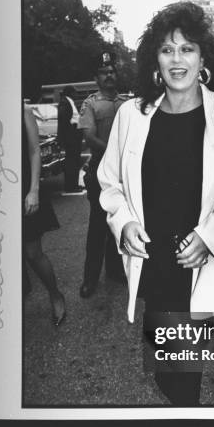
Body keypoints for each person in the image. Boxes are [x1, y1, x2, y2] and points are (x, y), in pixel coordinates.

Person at [98, 2, 214, 405]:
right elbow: (109, 181)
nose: (178, 60)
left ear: (203, 57)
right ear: (155, 61)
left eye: (187, 48)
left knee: (182, 380)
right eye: (167, 49)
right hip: (154, 265)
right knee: (164, 372)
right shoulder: (132, 115)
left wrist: (211, 238)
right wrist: (123, 222)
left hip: (199, 267)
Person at [78, 52, 127, 298]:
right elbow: (90, 137)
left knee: (119, 223)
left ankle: (116, 272)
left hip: (123, 175)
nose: (109, 75)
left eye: (112, 72)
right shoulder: (91, 104)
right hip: (100, 173)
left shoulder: (126, 103)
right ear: (96, 78)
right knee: (97, 226)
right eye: (104, 72)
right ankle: (90, 279)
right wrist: (116, 152)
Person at [23, 105, 66, 326]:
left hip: (22, 189)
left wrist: (33, 190)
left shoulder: (22, 111)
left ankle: (55, 294)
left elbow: (33, 150)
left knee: (32, 253)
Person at [57, 85, 85, 195]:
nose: (76, 94)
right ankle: (70, 186)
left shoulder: (69, 101)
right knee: (71, 162)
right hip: (71, 136)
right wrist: (67, 137)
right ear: (70, 93)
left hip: (74, 135)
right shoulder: (65, 103)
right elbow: (64, 121)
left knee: (75, 161)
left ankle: (74, 185)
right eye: (75, 92)